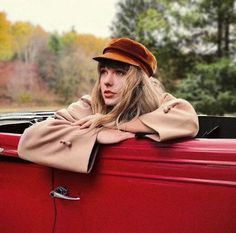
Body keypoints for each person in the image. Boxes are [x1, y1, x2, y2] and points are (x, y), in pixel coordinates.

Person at [18, 37, 199, 173]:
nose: (107, 81)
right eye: (104, 72)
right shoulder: (90, 105)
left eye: (119, 73)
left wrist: (113, 123)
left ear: (139, 82)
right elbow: (31, 138)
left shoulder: (161, 103)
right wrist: (97, 134)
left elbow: (187, 119)